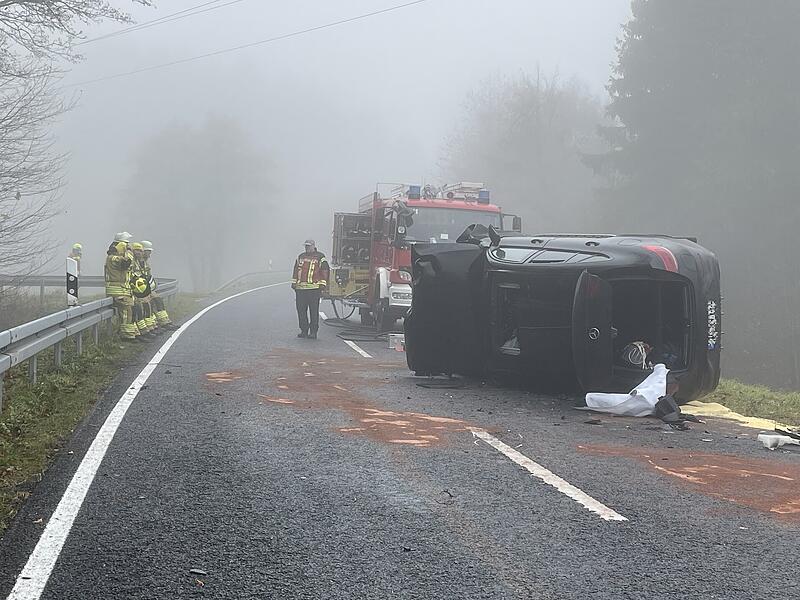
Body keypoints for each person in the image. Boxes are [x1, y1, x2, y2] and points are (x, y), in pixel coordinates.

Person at [292, 239, 329, 339]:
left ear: (313, 246)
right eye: (306, 246)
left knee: (313, 311)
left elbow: (325, 271)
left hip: (314, 289)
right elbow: (296, 270)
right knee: (301, 311)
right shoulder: (301, 256)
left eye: (308, 246)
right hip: (300, 289)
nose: (307, 248)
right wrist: (294, 283)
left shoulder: (320, 257)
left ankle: (313, 332)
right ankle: (304, 330)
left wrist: (323, 284)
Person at [104, 232, 138, 340]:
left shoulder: (118, 257)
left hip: (124, 291)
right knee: (126, 311)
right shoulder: (113, 258)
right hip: (117, 291)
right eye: (126, 244)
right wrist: (128, 253)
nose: (128, 247)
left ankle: (130, 332)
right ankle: (126, 335)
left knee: (131, 311)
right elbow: (126, 263)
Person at [141, 240, 177, 330]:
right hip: (140, 291)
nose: (150, 254)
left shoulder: (145, 263)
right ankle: (152, 327)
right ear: (143, 251)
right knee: (148, 304)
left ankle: (164, 322)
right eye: (148, 251)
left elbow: (148, 276)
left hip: (146, 289)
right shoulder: (137, 263)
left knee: (158, 300)